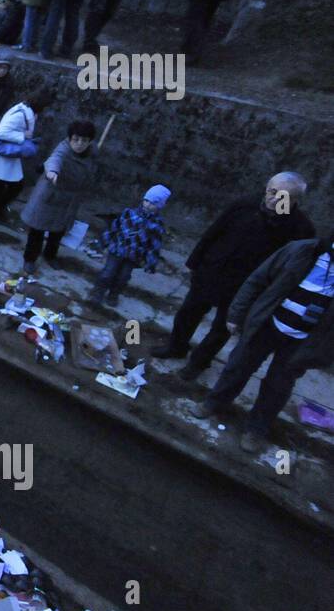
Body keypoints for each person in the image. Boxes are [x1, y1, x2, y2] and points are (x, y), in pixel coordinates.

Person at [156, 173, 314, 380]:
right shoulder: (244, 205)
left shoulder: (300, 229)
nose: (275, 199)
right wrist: (194, 262)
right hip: (213, 271)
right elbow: (214, 231)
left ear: (295, 201)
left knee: (223, 328)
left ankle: (198, 362)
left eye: (283, 196)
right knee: (188, 312)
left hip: (246, 287)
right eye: (272, 192)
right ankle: (176, 346)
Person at [191, 231, 334, 452]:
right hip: (268, 323)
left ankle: (256, 429)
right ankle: (214, 402)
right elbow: (257, 279)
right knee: (238, 366)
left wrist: (323, 351)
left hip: (302, 341)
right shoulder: (301, 250)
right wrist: (236, 314)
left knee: (278, 386)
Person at [19, 121, 97, 273]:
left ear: (90, 141)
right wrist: (52, 172)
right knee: (37, 230)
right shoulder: (63, 149)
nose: (80, 144)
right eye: (76, 139)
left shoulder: (93, 151)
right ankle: (30, 259)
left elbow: (92, 166)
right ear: (69, 139)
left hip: (69, 199)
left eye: (84, 140)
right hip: (50, 194)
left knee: (58, 231)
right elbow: (55, 159)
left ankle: (50, 255)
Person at [87, 185, 171, 308]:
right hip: (117, 250)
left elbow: (154, 245)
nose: (147, 205)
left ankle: (113, 295)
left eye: (153, 203)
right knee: (108, 273)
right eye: (146, 201)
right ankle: (98, 292)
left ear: (159, 206)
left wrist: (151, 263)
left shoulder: (156, 224)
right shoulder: (128, 213)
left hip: (134, 256)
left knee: (123, 277)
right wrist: (101, 243)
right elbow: (113, 229)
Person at [0, 89, 48, 224]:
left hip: (7, 157)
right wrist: (23, 136)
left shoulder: (27, 112)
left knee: (14, 186)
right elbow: (1, 133)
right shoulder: (20, 114)